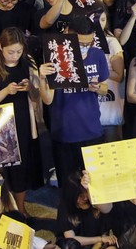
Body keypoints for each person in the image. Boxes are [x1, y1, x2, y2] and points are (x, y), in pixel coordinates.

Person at [39, 16, 110, 187]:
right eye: (79, 43)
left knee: (95, 183)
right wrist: (41, 77)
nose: (84, 48)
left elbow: (105, 88)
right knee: (68, 185)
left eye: (88, 43)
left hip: (91, 129)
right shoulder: (55, 56)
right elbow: (47, 99)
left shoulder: (97, 55)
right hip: (65, 132)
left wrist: (97, 87)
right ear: (67, 34)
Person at [0, 27, 42, 216]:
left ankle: (20, 209)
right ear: (0, 47)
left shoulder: (28, 62)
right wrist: (7, 90)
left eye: (19, 51)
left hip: (22, 119)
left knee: (21, 168)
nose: (15, 56)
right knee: (0, 169)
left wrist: (31, 86)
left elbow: (38, 94)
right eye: (10, 52)